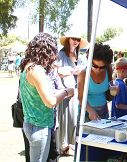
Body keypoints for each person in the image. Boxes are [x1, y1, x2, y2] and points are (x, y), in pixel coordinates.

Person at [19, 33, 74, 162]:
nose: (54, 56)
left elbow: (39, 96)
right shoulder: (37, 70)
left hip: (31, 123)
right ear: (46, 50)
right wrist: (67, 91)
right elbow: (50, 102)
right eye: (53, 51)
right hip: (39, 126)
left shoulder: (27, 67)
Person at [56, 34, 88, 155]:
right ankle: (62, 145)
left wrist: (80, 71)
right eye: (73, 39)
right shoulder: (61, 54)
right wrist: (71, 70)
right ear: (68, 40)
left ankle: (71, 144)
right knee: (63, 118)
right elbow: (57, 72)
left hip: (77, 90)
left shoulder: (80, 56)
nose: (76, 41)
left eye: (78, 40)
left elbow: (85, 70)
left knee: (75, 119)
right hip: (64, 90)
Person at [77, 43, 114, 121]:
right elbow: (80, 97)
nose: (98, 69)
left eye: (102, 67)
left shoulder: (108, 70)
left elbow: (110, 96)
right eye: (95, 66)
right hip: (87, 112)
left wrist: (114, 91)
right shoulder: (83, 73)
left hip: (103, 110)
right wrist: (90, 110)